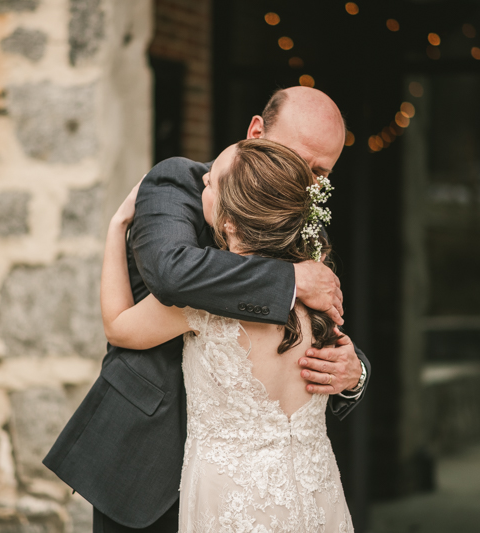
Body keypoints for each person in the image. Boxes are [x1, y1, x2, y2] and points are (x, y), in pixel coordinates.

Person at [43, 87, 370, 532]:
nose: (302, 182)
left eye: (319, 173)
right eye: (294, 157)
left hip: (259, 481)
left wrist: (355, 372)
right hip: (148, 456)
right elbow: (170, 272)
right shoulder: (181, 181)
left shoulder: (298, 222)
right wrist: (290, 280)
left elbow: (318, 326)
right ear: (257, 131)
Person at [103, 138, 354, 530]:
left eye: (211, 184)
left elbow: (118, 327)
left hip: (231, 503)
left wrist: (117, 227)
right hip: (315, 496)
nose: (202, 179)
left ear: (228, 222)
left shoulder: (202, 305)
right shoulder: (320, 298)